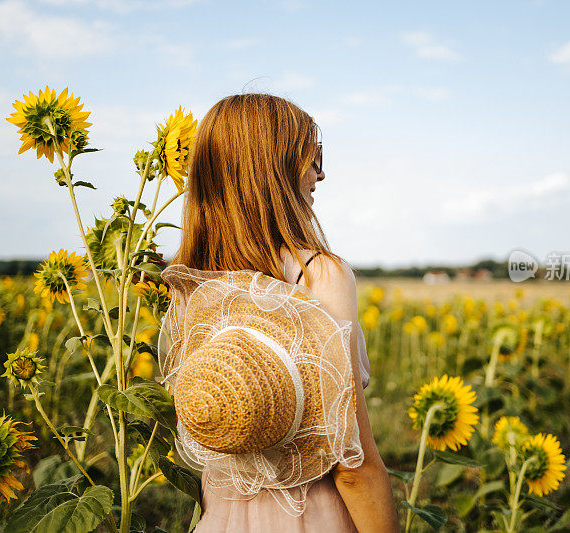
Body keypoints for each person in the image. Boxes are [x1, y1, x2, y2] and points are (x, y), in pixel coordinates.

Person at [165, 93, 400, 533]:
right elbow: (351, 463)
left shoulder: (195, 286)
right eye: (313, 157)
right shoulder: (319, 276)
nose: (321, 173)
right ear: (271, 168)